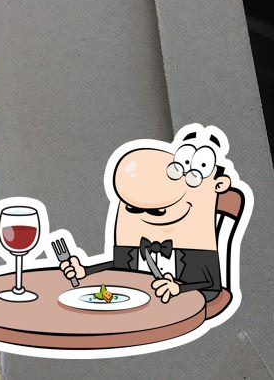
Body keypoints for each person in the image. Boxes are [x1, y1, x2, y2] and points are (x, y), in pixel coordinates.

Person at [60, 125, 233, 303]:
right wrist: (86, 271)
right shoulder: (134, 237)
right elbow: (118, 268)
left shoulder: (196, 242)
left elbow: (210, 286)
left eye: (157, 210)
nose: (145, 214)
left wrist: (179, 288)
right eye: (133, 208)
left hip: (186, 304)